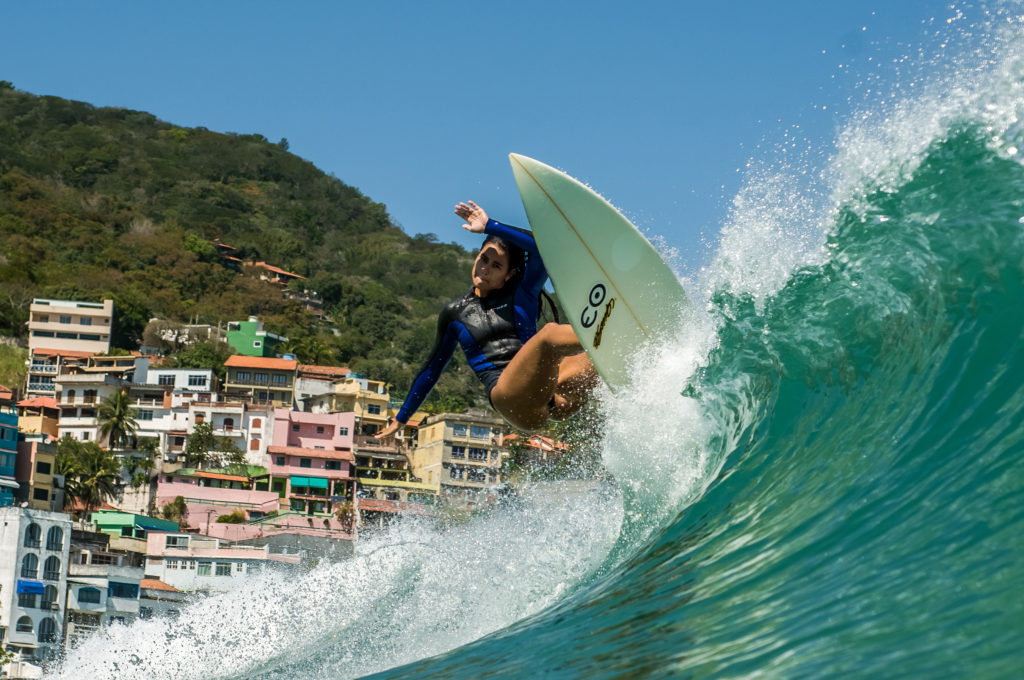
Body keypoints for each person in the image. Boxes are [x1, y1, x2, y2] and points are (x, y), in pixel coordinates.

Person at [376, 201, 598, 438]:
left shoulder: (522, 295)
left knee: (597, 359)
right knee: (549, 336)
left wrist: (491, 226)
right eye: (483, 259)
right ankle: (605, 332)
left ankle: (632, 349)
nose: (485, 269)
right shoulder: (455, 314)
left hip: (553, 397)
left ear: (509, 274)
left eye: (496, 265)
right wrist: (401, 419)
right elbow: (431, 370)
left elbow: (545, 249)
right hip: (511, 400)